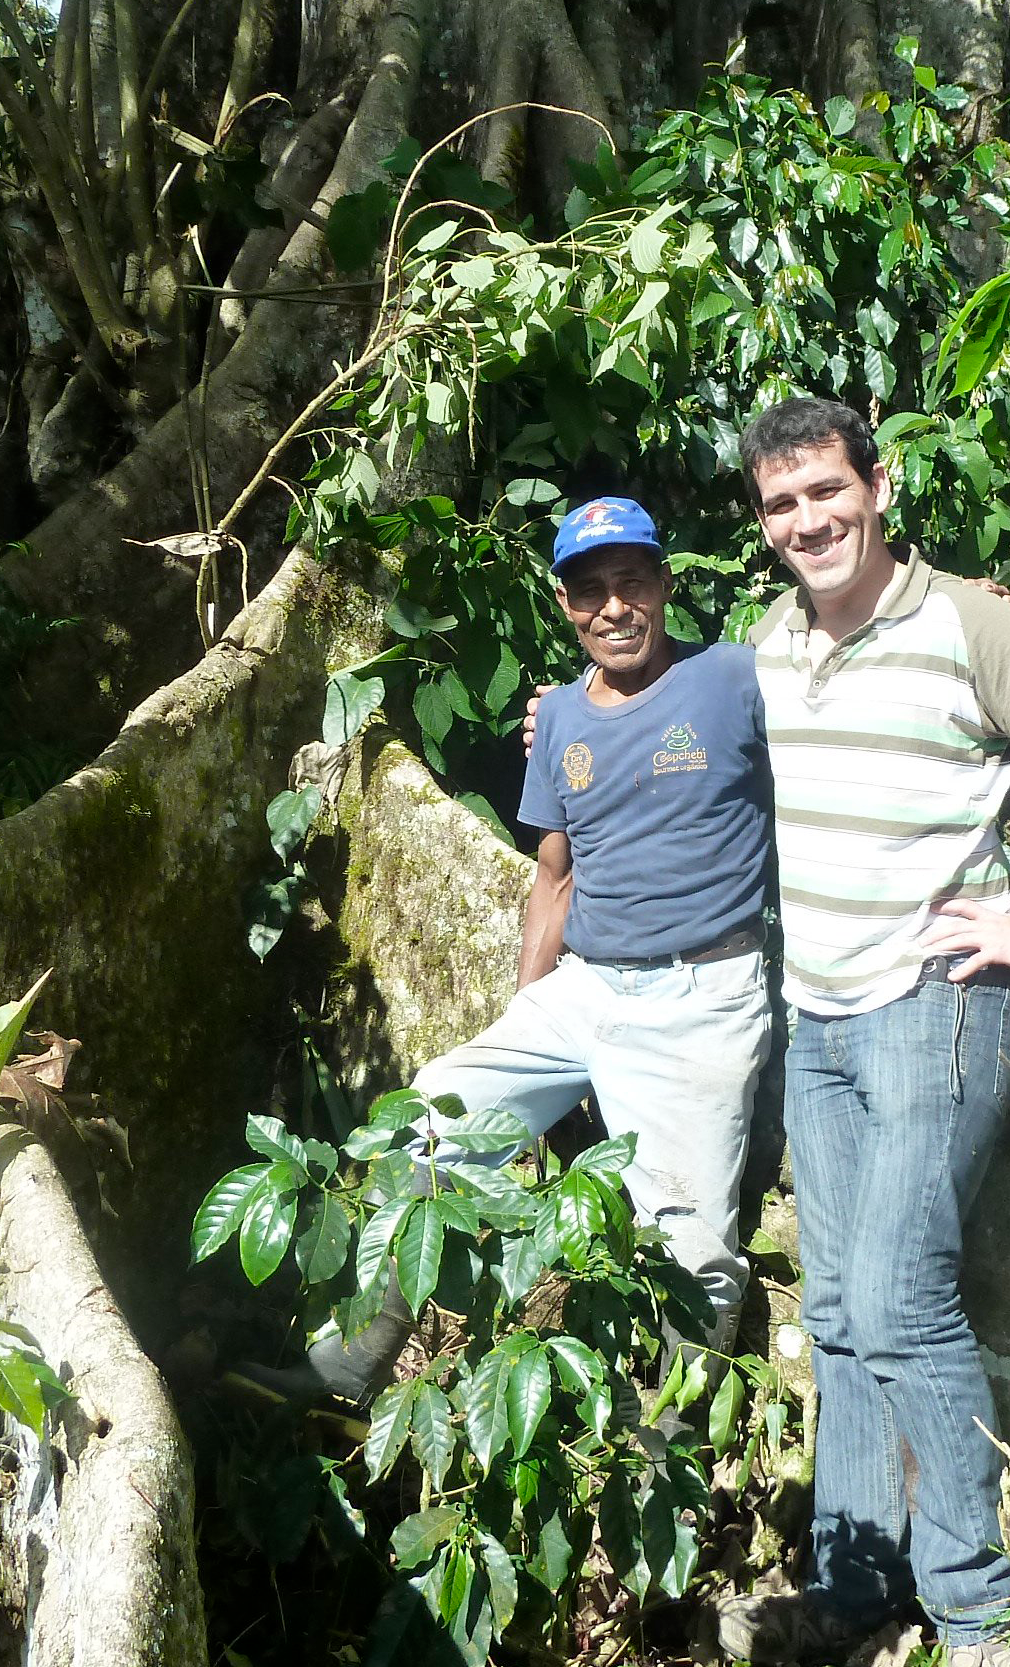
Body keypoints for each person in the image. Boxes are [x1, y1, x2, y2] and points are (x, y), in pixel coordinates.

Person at [713, 398, 1010, 1667]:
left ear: (880, 484)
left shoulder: (969, 622)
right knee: (839, 1312)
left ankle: (979, 1620)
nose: (807, 522)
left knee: (900, 1294)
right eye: (781, 505)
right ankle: (854, 1591)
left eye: (826, 492)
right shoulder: (771, 643)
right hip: (818, 1015)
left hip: (937, 1001)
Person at [293, 496, 775, 1401]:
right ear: (565, 604)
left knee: (696, 1251)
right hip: (582, 990)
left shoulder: (734, 677)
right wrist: (534, 1023)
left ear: (665, 584)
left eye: (631, 582)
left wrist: (948, 605)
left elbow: (845, 661)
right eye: (591, 591)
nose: (614, 608)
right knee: (423, 1129)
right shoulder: (556, 719)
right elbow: (554, 878)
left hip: (700, 996)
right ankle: (354, 1363)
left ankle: (668, 1442)